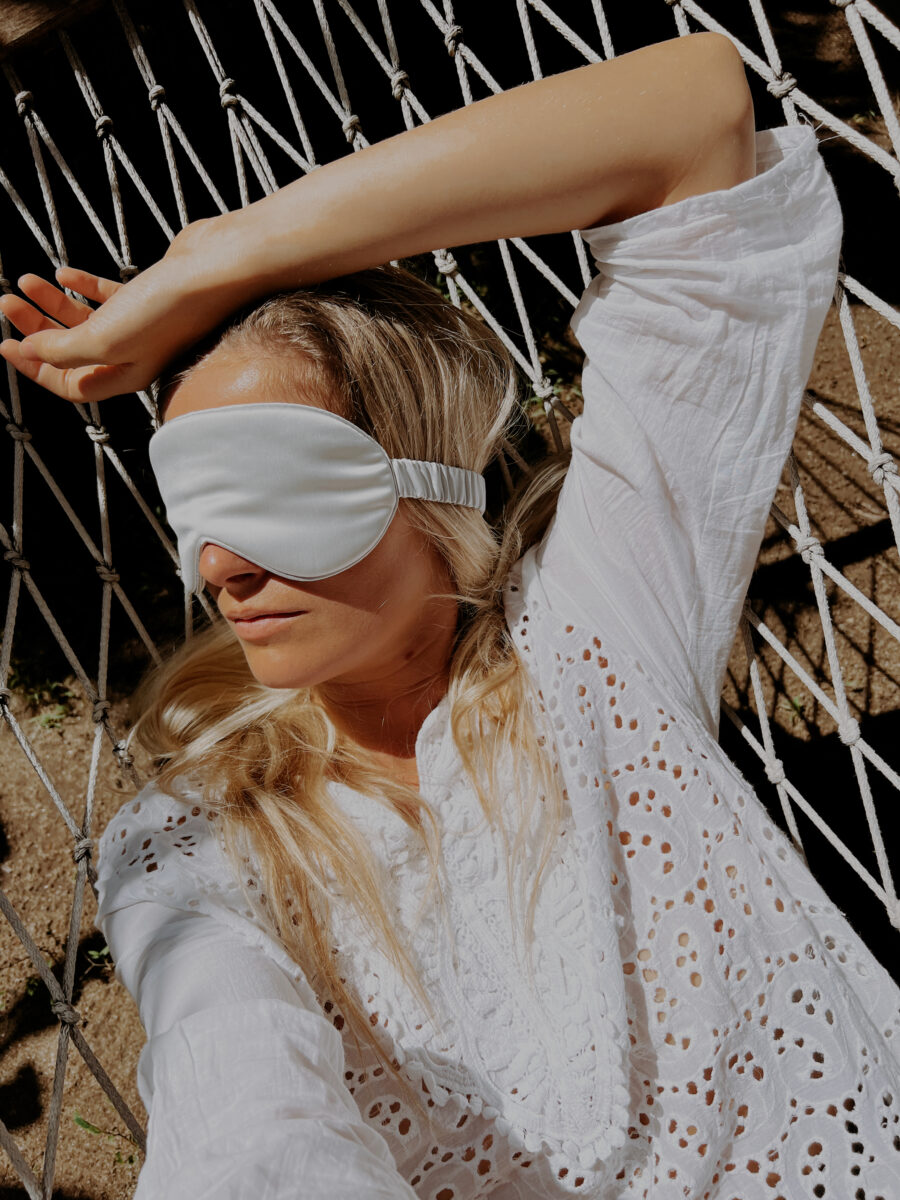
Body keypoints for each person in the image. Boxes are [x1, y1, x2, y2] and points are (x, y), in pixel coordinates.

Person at [2, 29, 899, 1200]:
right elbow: (244, 1123)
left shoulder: (594, 628)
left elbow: (692, 112)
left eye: (272, 494)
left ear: (428, 484)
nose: (218, 564)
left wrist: (219, 255)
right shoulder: (198, 844)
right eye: (192, 509)